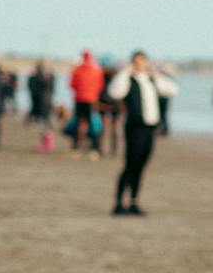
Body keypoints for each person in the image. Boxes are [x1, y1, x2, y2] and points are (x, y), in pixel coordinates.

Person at [105, 50, 176, 215]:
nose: (140, 65)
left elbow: (172, 89)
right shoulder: (128, 79)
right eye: (136, 62)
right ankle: (118, 202)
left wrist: (156, 74)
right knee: (130, 164)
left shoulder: (152, 80)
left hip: (150, 128)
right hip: (134, 127)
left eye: (142, 61)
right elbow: (114, 92)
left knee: (142, 165)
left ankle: (134, 201)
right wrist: (125, 71)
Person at [67, 49, 105, 158]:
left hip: (79, 99)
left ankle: (75, 148)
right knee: (94, 124)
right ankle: (95, 149)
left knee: (78, 123)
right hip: (91, 100)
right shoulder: (97, 69)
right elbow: (100, 86)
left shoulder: (77, 69)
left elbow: (72, 84)